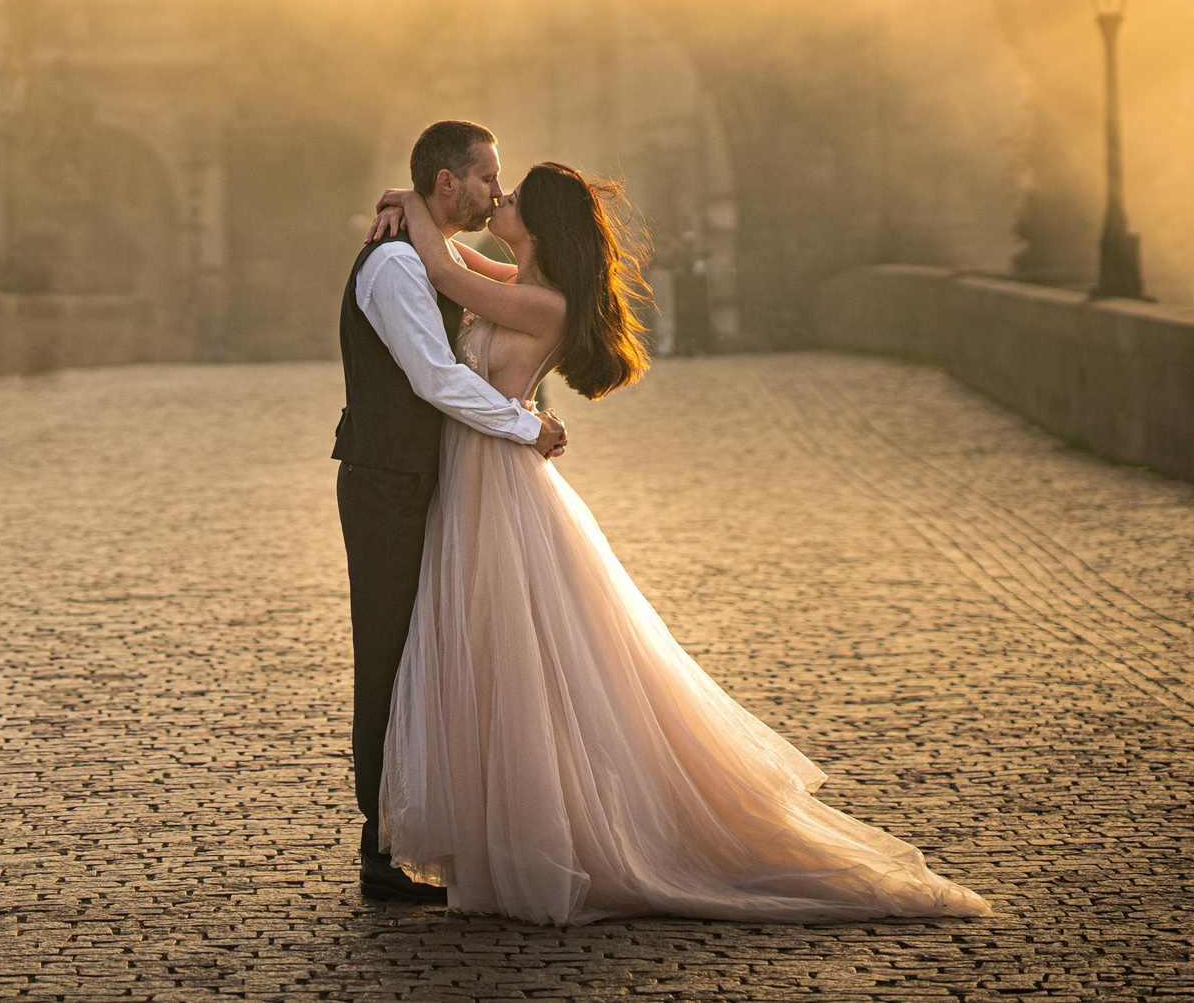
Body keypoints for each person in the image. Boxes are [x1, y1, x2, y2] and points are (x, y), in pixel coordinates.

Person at [359, 149, 993, 926]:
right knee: (492, 654)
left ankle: (552, 837)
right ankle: (504, 836)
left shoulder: (546, 303)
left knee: (526, 660)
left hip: (498, 485)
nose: (501, 200)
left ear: (543, 224)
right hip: (476, 478)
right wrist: (409, 198)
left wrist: (413, 204)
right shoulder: (520, 284)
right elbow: (449, 256)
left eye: (514, 194)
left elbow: (446, 273)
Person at [335, 120, 563, 903]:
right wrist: (527, 425)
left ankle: (423, 828)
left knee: (431, 651)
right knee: (390, 652)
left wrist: (408, 203)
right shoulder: (398, 265)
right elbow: (434, 378)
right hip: (387, 480)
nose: (495, 190)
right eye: (486, 176)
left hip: (428, 479)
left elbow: (465, 276)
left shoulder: (423, 253)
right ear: (447, 183)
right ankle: (379, 843)